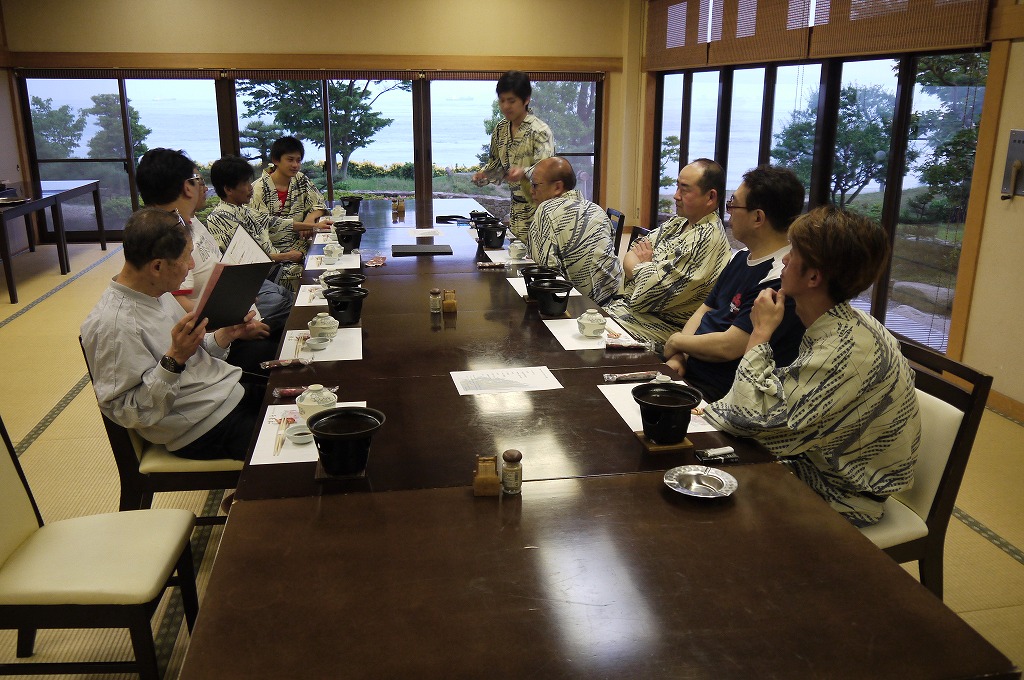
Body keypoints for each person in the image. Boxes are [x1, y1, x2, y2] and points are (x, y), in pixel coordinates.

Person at [703, 206, 921, 527]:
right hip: (810, 463)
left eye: (792, 253)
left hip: (840, 496)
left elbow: (744, 419)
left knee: (703, 500)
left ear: (814, 277)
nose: (784, 260)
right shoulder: (843, 322)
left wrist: (760, 332)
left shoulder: (847, 350)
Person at [80, 208, 266, 461]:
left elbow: (193, 359)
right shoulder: (112, 325)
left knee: (306, 399)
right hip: (201, 427)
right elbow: (127, 412)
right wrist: (174, 360)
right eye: (187, 257)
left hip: (225, 392)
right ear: (157, 266)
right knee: (305, 448)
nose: (191, 266)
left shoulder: (156, 291)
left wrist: (226, 335)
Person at [135, 148, 292, 374]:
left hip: (233, 321)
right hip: (215, 341)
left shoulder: (190, 223)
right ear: (187, 187)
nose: (205, 187)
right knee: (290, 339)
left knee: (294, 314)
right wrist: (232, 319)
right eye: (199, 180)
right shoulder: (167, 239)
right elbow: (178, 307)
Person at [661, 165, 806, 402]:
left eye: (733, 205)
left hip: (720, 393)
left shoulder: (780, 278)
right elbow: (705, 311)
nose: (728, 213)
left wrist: (677, 341)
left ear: (758, 217)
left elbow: (730, 346)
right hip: (689, 372)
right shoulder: (741, 258)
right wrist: (680, 356)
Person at [603, 158, 731, 344]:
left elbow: (648, 294)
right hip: (627, 313)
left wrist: (642, 266)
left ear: (710, 197)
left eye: (684, 190)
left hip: (659, 328)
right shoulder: (679, 222)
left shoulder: (706, 239)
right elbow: (630, 254)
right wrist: (648, 268)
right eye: (677, 187)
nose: (676, 196)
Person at [526, 156, 622, 305]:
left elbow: (545, 273)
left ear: (557, 187)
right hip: (612, 301)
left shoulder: (546, 210)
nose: (531, 191)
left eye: (535, 185)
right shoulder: (596, 209)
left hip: (576, 304)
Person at [472, 71, 555, 241]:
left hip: (539, 209)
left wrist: (523, 172)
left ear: (526, 100)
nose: (505, 106)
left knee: (537, 254)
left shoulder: (540, 131)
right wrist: (484, 174)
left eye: (511, 101)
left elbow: (547, 171)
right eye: (502, 100)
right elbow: (496, 164)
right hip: (516, 210)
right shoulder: (500, 129)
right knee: (515, 253)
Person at [207, 155, 307, 290]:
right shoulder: (220, 218)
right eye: (245, 183)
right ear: (228, 189)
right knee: (310, 274)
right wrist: (287, 256)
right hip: (262, 278)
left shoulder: (243, 209)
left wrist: (315, 226)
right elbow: (245, 259)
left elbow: (275, 222)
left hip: (277, 265)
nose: (251, 188)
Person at [250, 135, 328, 254]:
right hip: (272, 251)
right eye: (290, 160)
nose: (295, 165)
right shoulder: (259, 188)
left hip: (302, 244)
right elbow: (262, 224)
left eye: (298, 160)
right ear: (275, 160)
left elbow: (319, 203)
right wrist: (305, 226)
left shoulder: (300, 179)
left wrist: (310, 219)